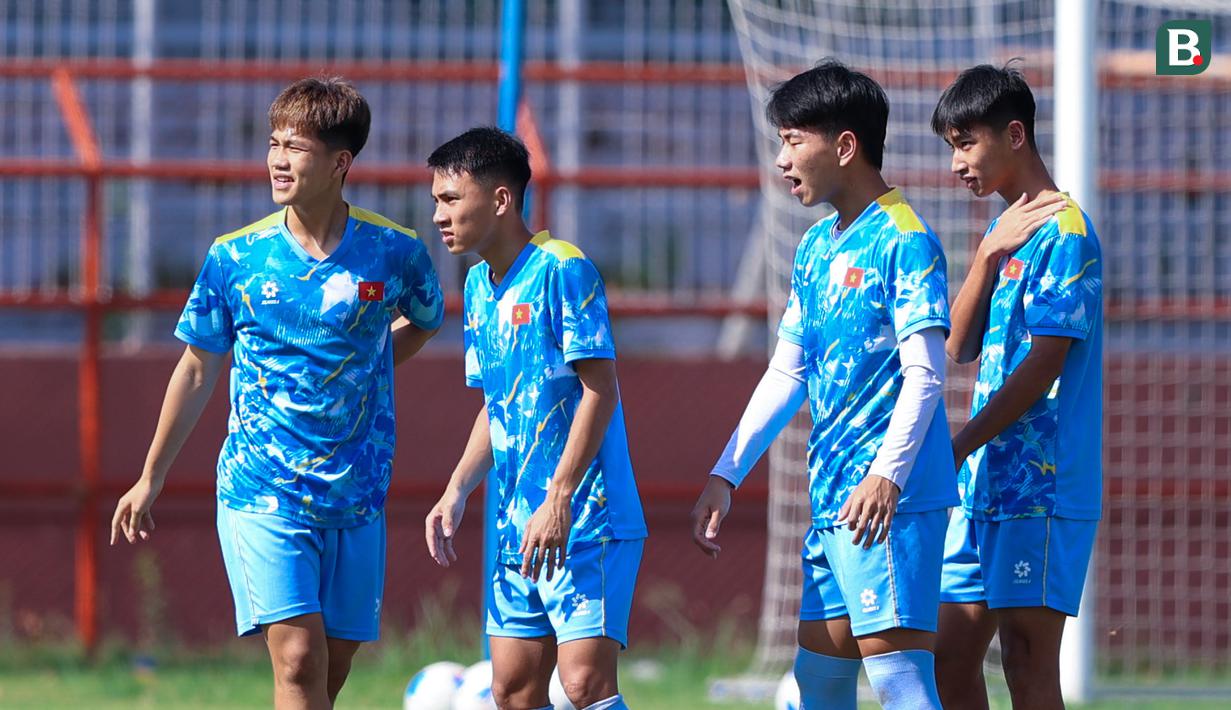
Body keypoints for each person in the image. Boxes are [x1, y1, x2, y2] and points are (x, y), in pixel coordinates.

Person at [110, 77, 445, 709]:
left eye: (297, 146)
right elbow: (196, 368)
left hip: (358, 491)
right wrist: (150, 476)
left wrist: (365, 367)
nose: (278, 159)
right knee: (297, 661)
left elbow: (428, 319)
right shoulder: (236, 256)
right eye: (273, 143)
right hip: (262, 488)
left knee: (330, 669)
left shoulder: (394, 252)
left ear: (340, 163)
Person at [690, 59, 957, 710]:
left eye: (792, 140)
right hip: (833, 496)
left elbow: (926, 373)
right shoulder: (814, 247)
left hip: (887, 501)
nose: (781, 160)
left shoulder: (904, 240)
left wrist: (886, 475)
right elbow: (788, 369)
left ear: (843, 146)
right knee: (819, 681)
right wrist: (726, 472)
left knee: (896, 679)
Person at [423, 126, 646, 710]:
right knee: (514, 691)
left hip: (584, 516)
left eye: (450, 200)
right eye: (435, 202)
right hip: (517, 524)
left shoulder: (563, 269)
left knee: (584, 686)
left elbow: (601, 389)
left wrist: (560, 497)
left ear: (500, 200)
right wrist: (457, 488)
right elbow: (498, 406)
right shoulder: (475, 285)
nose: (439, 216)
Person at [930, 63, 1103, 710]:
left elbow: (1042, 366)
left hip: (1041, 488)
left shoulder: (1065, 233)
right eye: (951, 147)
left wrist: (958, 444)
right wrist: (984, 256)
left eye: (965, 143)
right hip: (984, 489)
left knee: (1027, 666)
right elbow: (957, 347)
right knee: (947, 659)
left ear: (1013, 135)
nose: (956, 165)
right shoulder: (1007, 235)